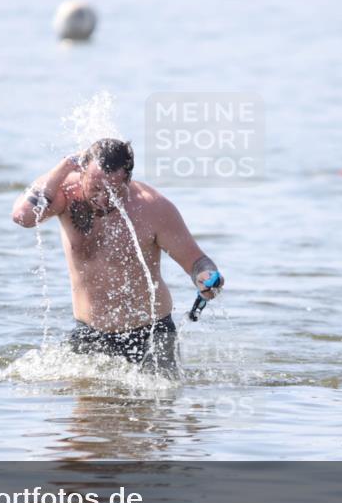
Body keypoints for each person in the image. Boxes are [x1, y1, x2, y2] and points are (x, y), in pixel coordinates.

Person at [11, 139, 224, 376]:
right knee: (86, 408)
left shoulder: (153, 207)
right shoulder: (64, 195)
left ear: (128, 179)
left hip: (152, 334)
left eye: (114, 191)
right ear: (81, 173)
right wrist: (62, 168)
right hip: (90, 333)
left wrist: (206, 278)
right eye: (95, 189)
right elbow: (23, 217)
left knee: (160, 409)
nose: (103, 199)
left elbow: (197, 262)